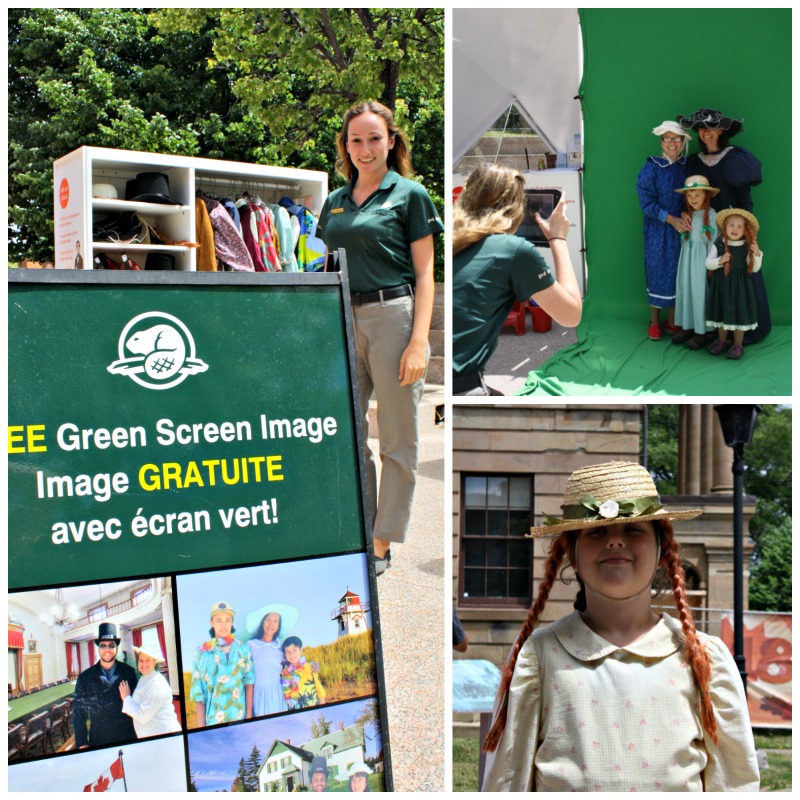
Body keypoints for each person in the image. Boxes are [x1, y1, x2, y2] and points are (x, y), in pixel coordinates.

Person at [481, 461, 760, 792]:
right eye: (596, 531)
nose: (614, 542)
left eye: (633, 529)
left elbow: (735, 783)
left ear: (661, 550)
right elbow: (506, 783)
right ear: (571, 552)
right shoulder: (539, 658)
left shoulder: (704, 659)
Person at [317, 100, 444, 575]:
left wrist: (419, 341)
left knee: (397, 440)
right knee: (347, 434)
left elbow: (427, 272)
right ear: (345, 145)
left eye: (374, 138)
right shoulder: (333, 201)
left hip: (394, 315)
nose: (365, 149)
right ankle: (359, 525)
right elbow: (323, 265)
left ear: (392, 140)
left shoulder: (410, 195)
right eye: (356, 140)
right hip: (341, 319)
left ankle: (381, 541)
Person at [452, 164, 582, 395]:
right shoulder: (513, 251)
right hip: (462, 385)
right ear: (515, 208)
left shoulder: (452, 241)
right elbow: (571, 315)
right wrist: (557, 238)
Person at [677, 108, 769, 344]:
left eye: (710, 129)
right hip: (701, 230)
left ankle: (733, 332)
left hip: (729, 230)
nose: (705, 133)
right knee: (701, 277)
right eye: (701, 129)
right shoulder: (693, 162)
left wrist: (745, 230)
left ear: (721, 131)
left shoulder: (735, 159)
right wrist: (683, 212)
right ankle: (701, 326)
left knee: (731, 276)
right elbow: (688, 195)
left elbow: (744, 198)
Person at [635, 121, 693, 340]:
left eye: (676, 138)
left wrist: (686, 212)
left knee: (678, 273)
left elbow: (691, 196)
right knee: (658, 272)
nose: (672, 142)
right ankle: (654, 321)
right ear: (661, 141)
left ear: (683, 142)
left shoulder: (685, 168)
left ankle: (672, 321)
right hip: (657, 229)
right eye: (667, 138)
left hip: (680, 228)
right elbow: (646, 203)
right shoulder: (651, 167)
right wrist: (670, 219)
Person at [705, 208, 762, 360]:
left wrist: (756, 255)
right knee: (722, 314)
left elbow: (755, 268)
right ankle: (722, 341)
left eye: (739, 226)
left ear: (745, 230)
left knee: (739, 316)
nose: (735, 229)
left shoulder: (747, 247)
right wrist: (719, 261)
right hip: (722, 288)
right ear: (725, 227)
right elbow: (708, 264)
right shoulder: (719, 244)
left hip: (740, 289)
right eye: (731, 225)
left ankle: (738, 345)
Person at [189, 601, 254, 728]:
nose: (223, 625)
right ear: (211, 622)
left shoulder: (243, 649)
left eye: (227, 620)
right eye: (219, 620)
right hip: (214, 722)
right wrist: (202, 728)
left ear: (232, 622)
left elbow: (249, 684)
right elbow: (198, 694)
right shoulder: (202, 653)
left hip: (239, 718)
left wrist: (249, 717)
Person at [672, 175, 719, 349]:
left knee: (699, 294)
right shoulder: (687, 215)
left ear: (706, 196)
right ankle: (687, 327)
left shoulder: (712, 216)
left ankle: (701, 332)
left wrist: (710, 265)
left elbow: (714, 242)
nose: (693, 199)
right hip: (686, 260)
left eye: (697, 195)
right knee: (685, 291)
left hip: (701, 262)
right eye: (690, 196)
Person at [72, 623, 138, 748]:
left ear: (117, 648)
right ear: (98, 648)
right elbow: (78, 713)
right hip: (99, 738)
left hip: (126, 736)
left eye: (111, 645)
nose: (107, 650)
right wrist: (82, 743)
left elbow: (136, 703)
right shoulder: (84, 677)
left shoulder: (128, 672)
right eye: (103, 646)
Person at [246, 604, 298, 717]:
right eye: (268, 620)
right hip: (260, 695)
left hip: (279, 694)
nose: (271, 624)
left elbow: (294, 664)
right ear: (262, 622)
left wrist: (313, 666)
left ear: (279, 625)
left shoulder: (280, 646)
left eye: (275, 621)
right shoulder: (251, 645)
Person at [119, 643, 181, 738]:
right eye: (141, 660)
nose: (144, 664)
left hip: (164, 735)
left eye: (147, 660)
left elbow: (143, 716)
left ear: (154, 662)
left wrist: (126, 698)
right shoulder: (145, 678)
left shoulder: (156, 683)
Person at [280, 636, 326, 709]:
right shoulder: (284, 674)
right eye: (288, 651)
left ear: (301, 650)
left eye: (294, 650)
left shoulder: (311, 668)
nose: (291, 654)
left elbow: (320, 693)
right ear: (284, 654)